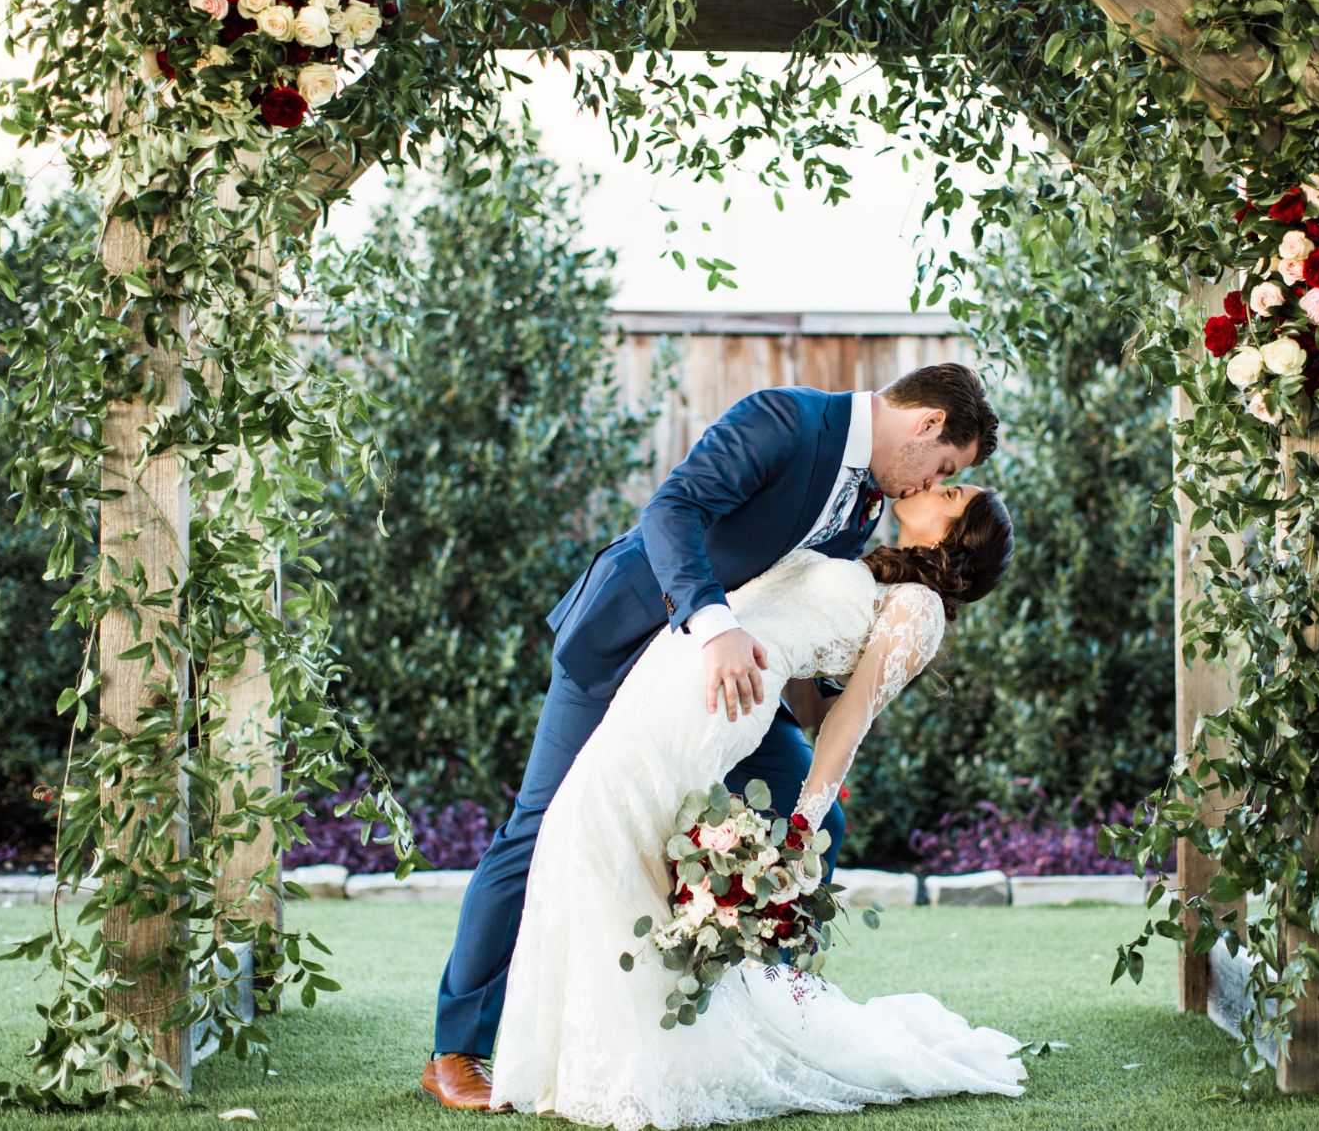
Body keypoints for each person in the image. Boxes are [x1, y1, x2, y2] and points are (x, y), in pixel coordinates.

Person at [424, 365, 1002, 1109]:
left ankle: (780, 1017)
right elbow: (674, 510)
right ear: (924, 425)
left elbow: (799, 603)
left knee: (811, 816)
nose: (927, 485)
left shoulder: (867, 503)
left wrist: (831, 690)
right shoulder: (787, 419)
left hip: (730, 690)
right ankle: (456, 1050)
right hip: (631, 643)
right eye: (945, 468)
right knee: (538, 828)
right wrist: (713, 624)